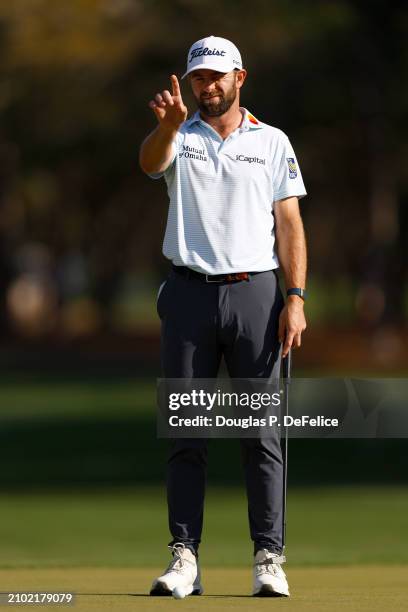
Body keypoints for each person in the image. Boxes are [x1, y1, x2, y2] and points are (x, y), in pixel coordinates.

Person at [139, 35, 307, 598]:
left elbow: (288, 224)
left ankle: (269, 557)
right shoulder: (178, 136)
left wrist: (296, 297)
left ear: (240, 77)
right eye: (197, 79)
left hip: (255, 294)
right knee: (185, 431)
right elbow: (148, 162)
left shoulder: (273, 140)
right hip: (188, 296)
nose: (206, 87)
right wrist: (168, 125)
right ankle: (184, 556)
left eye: (216, 76)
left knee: (262, 432)